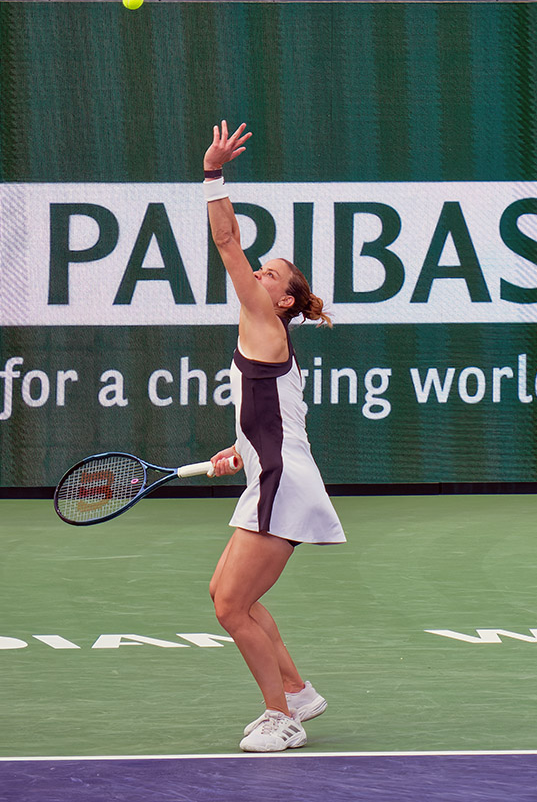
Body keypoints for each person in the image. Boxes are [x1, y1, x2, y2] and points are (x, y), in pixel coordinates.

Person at [204, 121, 346, 753]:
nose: (256, 275)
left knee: (233, 606)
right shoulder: (265, 331)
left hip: (282, 481)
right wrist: (239, 448)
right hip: (271, 469)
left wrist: (213, 174)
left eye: (269, 274)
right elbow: (272, 418)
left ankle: (279, 717)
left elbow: (228, 241)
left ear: (284, 302)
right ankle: (297, 692)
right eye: (260, 271)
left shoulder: (264, 320)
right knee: (226, 596)